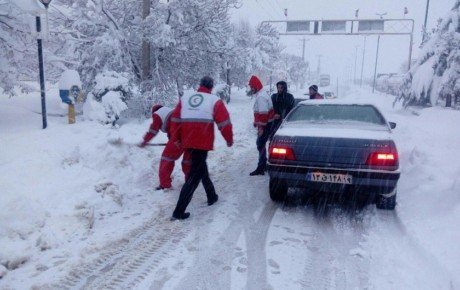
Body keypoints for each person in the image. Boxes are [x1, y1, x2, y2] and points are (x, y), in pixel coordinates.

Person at [170, 76, 233, 220]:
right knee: (194, 177)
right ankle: (178, 211)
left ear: (200, 85)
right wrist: (229, 139)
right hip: (202, 142)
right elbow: (224, 123)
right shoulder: (214, 101)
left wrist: (177, 139)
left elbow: (175, 119)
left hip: (187, 140)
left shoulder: (186, 98)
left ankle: (212, 195)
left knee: (200, 168)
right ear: (211, 87)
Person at [140, 104, 191, 191]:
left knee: (167, 158)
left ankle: (165, 184)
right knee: (188, 159)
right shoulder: (169, 111)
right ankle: (191, 180)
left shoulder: (157, 114)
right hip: (190, 132)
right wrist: (171, 140)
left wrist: (145, 141)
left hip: (179, 135)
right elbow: (172, 128)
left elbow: (153, 130)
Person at [248, 75, 274, 176]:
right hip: (267, 124)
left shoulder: (261, 97)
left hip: (265, 125)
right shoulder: (261, 94)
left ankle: (261, 167)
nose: (251, 89)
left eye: (252, 86)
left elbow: (263, 114)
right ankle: (263, 165)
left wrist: (261, 127)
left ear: (256, 86)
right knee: (261, 145)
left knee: (260, 144)